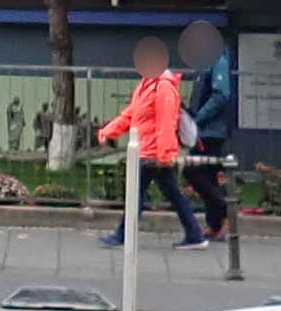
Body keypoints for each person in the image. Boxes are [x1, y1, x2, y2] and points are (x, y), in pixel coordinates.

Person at [97, 36, 206, 250]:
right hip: (148, 151)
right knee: (170, 195)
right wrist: (109, 131)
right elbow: (132, 114)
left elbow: (166, 122)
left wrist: (164, 155)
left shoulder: (163, 87)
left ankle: (122, 236)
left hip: (154, 154)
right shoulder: (147, 85)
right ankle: (195, 235)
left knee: (138, 195)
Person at [180, 19, 235, 241]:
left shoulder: (217, 60)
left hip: (211, 130)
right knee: (209, 176)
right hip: (205, 129)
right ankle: (216, 224)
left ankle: (226, 212)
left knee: (192, 170)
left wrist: (198, 120)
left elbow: (221, 95)